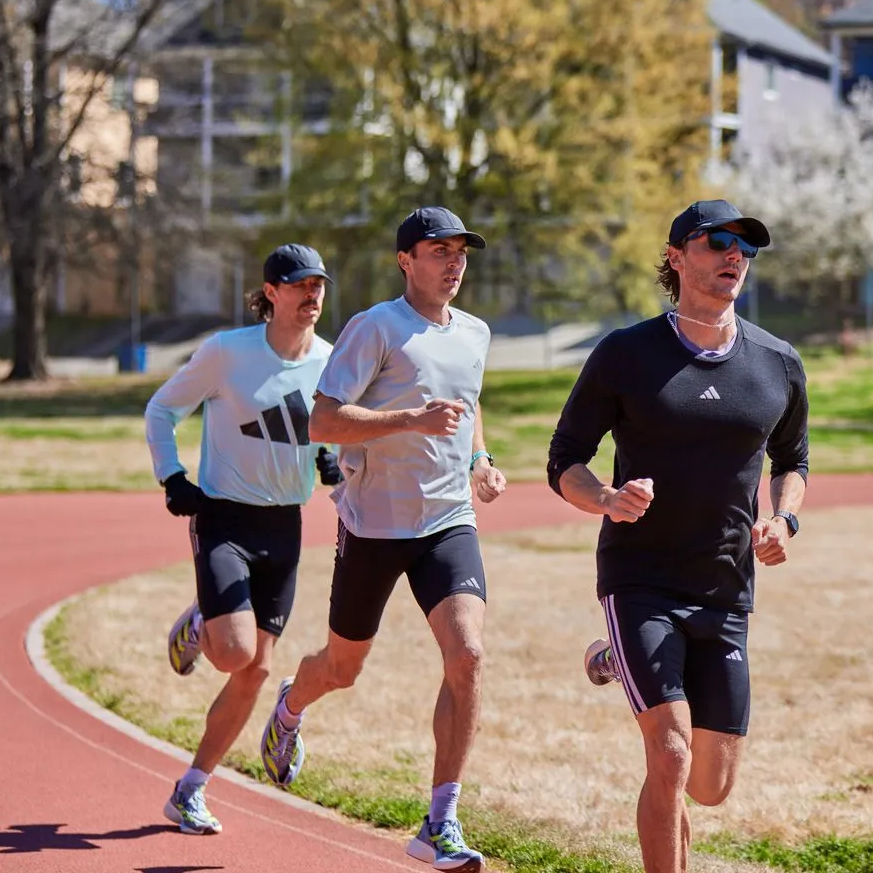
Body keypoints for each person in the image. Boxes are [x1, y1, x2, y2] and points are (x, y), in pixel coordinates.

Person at [546, 199, 810, 873]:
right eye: (717, 242)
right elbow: (564, 459)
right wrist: (606, 499)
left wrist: (783, 519)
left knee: (710, 784)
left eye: (745, 249)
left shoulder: (777, 363)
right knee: (669, 754)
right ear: (675, 256)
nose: (733, 257)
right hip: (641, 580)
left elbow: (793, 462)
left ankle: (615, 661)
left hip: (724, 587)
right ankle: (630, 654)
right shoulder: (626, 354)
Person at [257, 206, 508, 873]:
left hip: (448, 521)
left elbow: (467, 403)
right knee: (342, 668)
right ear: (406, 260)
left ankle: (441, 820)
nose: (453, 262)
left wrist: (480, 460)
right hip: (374, 525)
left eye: (461, 251)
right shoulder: (376, 327)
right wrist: (411, 421)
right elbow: (324, 422)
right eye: (438, 250)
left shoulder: (476, 333)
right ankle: (289, 707)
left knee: (470, 654)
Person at [145, 243, 340, 835]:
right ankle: (208, 620)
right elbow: (161, 410)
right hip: (225, 517)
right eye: (300, 285)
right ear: (272, 292)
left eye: (319, 286)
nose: (311, 296)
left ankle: (191, 789)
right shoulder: (228, 353)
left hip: (285, 526)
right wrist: (172, 478)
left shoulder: (331, 362)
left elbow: (333, 427)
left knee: (255, 671)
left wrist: (330, 455)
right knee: (232, 654)